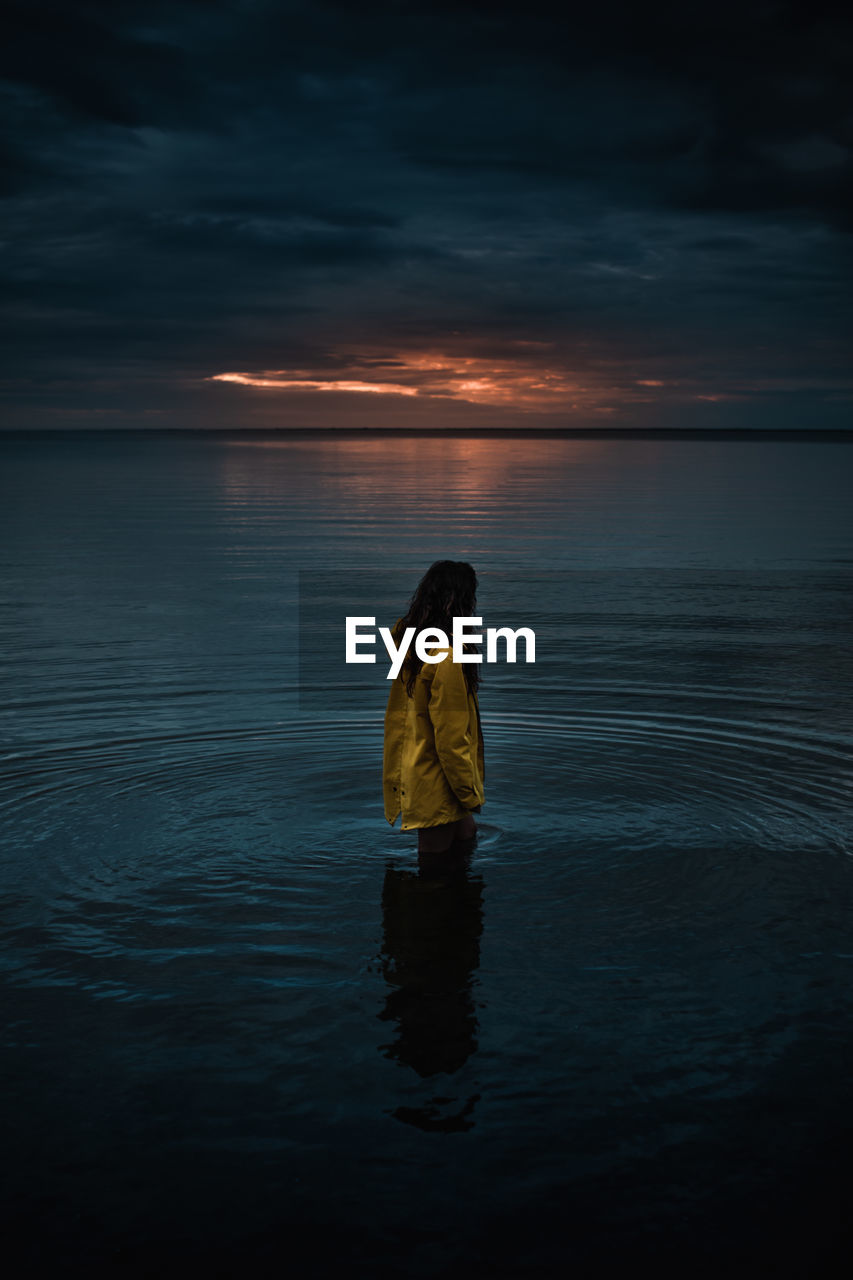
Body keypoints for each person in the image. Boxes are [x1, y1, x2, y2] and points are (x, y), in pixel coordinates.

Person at [383, 560, 485, 856]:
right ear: (460, 601)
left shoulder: (409, 642)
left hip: (420, 764)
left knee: (467, 837)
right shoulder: (449, 659)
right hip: (438, 781)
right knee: (432, 873)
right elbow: (451, 740)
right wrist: (469, 793)